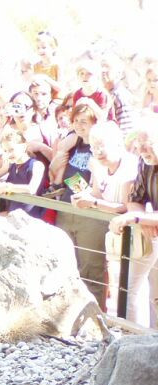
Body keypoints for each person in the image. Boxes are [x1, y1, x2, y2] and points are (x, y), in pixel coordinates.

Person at [70, 121, 142, 322]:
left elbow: (127, 206)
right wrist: (82, 198)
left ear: (117, 144)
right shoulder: (96, 165)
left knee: (131, 292)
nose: (98, 151)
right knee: (119, 287)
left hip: (135, 233)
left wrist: (93, 202)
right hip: (113, 232)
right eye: (93, 146)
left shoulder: (131, 165)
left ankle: (136, 334)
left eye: (102, 145)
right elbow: (96, 193)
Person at [49, 101, 107, 306]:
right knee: (66, 265)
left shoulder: (100, 144)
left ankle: (95, 316)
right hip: (67, 207)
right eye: (76, 121)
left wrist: (81, 189)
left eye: (85, 121)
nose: (79, 125)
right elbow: (58, 170)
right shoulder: (72, 143)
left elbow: (101, 181)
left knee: (91, 269)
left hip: (90, 213)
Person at [109, 117, 158, 327]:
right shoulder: (144, 161)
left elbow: (135, 212)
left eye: (148, 145)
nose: (143, 150)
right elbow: (136, 197)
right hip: (153, 234)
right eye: (139, 145)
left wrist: (137, 218)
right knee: (144, 294)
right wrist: (144, 219)